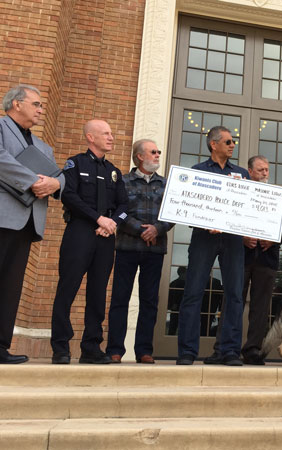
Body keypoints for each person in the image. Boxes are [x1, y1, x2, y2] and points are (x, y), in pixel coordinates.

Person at [50, 119, 128, 364]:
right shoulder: (75, 164)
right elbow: (69, 196)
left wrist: (113, 222)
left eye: (111, 133)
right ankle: (61, 347)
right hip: (80, 232)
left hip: (105, 237)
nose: (111, 137)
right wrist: (98, 218)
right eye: (106, 133)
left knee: (98, 292)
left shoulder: (114, 171)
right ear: (90, 137)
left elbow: (125, 206)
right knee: (68, 287)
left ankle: (91, 347)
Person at [0, 84, 64, 364]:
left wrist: (55, 183)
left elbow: (61, 177)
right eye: (36, 104)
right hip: (3, 216)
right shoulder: (1, 128)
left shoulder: (43, 146)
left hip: (27, 223)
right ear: (16, 104)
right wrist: (34, 181)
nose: (41, 109)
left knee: (11, 286)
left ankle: (1, 346)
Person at [207, 155, 282, 365]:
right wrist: (242, 237)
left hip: (267, 258)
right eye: (260, 170)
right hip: (239, 257)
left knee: (261, 307)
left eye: (267, 170)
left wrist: (272, 240)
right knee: (231, 302)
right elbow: (227, 218)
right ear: (250, 172)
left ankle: (253, 349)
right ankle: (223, 349)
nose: (265, 173)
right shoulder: (239, 192)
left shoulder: (276, 195)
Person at [176, 126, 249, 366]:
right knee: (194, 291)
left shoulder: (241, 174)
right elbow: (188, 206)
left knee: (235, 295)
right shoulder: (197, 171)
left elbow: (246, 209)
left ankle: (229, 351)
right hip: (203, 238)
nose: (232, 145)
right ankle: (187, 351)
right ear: (213, 144)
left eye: (233, 141)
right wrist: (205, 222)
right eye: (228, 141)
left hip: (232, 240)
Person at [106, 139, 174, 364]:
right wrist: (138, 229)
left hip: (155, 250)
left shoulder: (166, 184)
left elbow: (172, 213)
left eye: (158, 151)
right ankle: (115, 349)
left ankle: (144, 350)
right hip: (127, 247)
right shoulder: (122, 182)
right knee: (120, 299)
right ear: (139, 157)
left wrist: (157, 229)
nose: (157, 155)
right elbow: (118, 212)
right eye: (153, 152)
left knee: (150, 301)